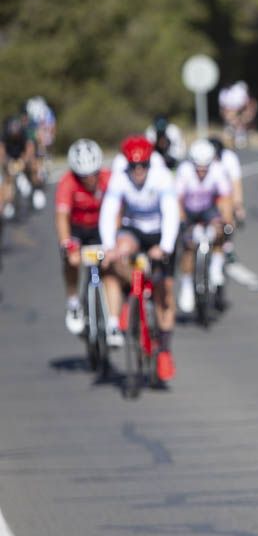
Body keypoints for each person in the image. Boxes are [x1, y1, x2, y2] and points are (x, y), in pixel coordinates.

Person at [99, 136, 181, 381]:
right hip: (134, 230)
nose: (138, 171)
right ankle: (131, 296)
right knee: (119, 255)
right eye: (133, 166)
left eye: (143, 165)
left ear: (149, 164)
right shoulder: (120, 178)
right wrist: (109, 247)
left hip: (159, 233)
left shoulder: (162, 177)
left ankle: (164, 349)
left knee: (164, 291)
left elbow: (171, 213)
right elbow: (108, 211)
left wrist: (165, 247)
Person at [55, 139, 111, 334]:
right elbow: (62, 216)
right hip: (77, 229)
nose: (89, 179)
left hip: (100, 228)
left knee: (111, 263)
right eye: (83, 176)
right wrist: (67, 244)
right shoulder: (67, 182)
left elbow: (119, 209)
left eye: (93, 174)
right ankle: (73, 303)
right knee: (71, 261)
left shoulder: (108, 178)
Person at [175, 139, 234, 314]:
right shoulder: (184, 171)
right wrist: (183, 222)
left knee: (219, 231)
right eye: (198, 167)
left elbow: (225, 199)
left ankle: (216, 266)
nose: (201, 171)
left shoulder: (217, 171)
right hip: (189, 211)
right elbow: (177, 200)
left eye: (204, 167)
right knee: (188, 246)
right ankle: (186, 285)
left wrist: (227, 221)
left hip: (208, 210)